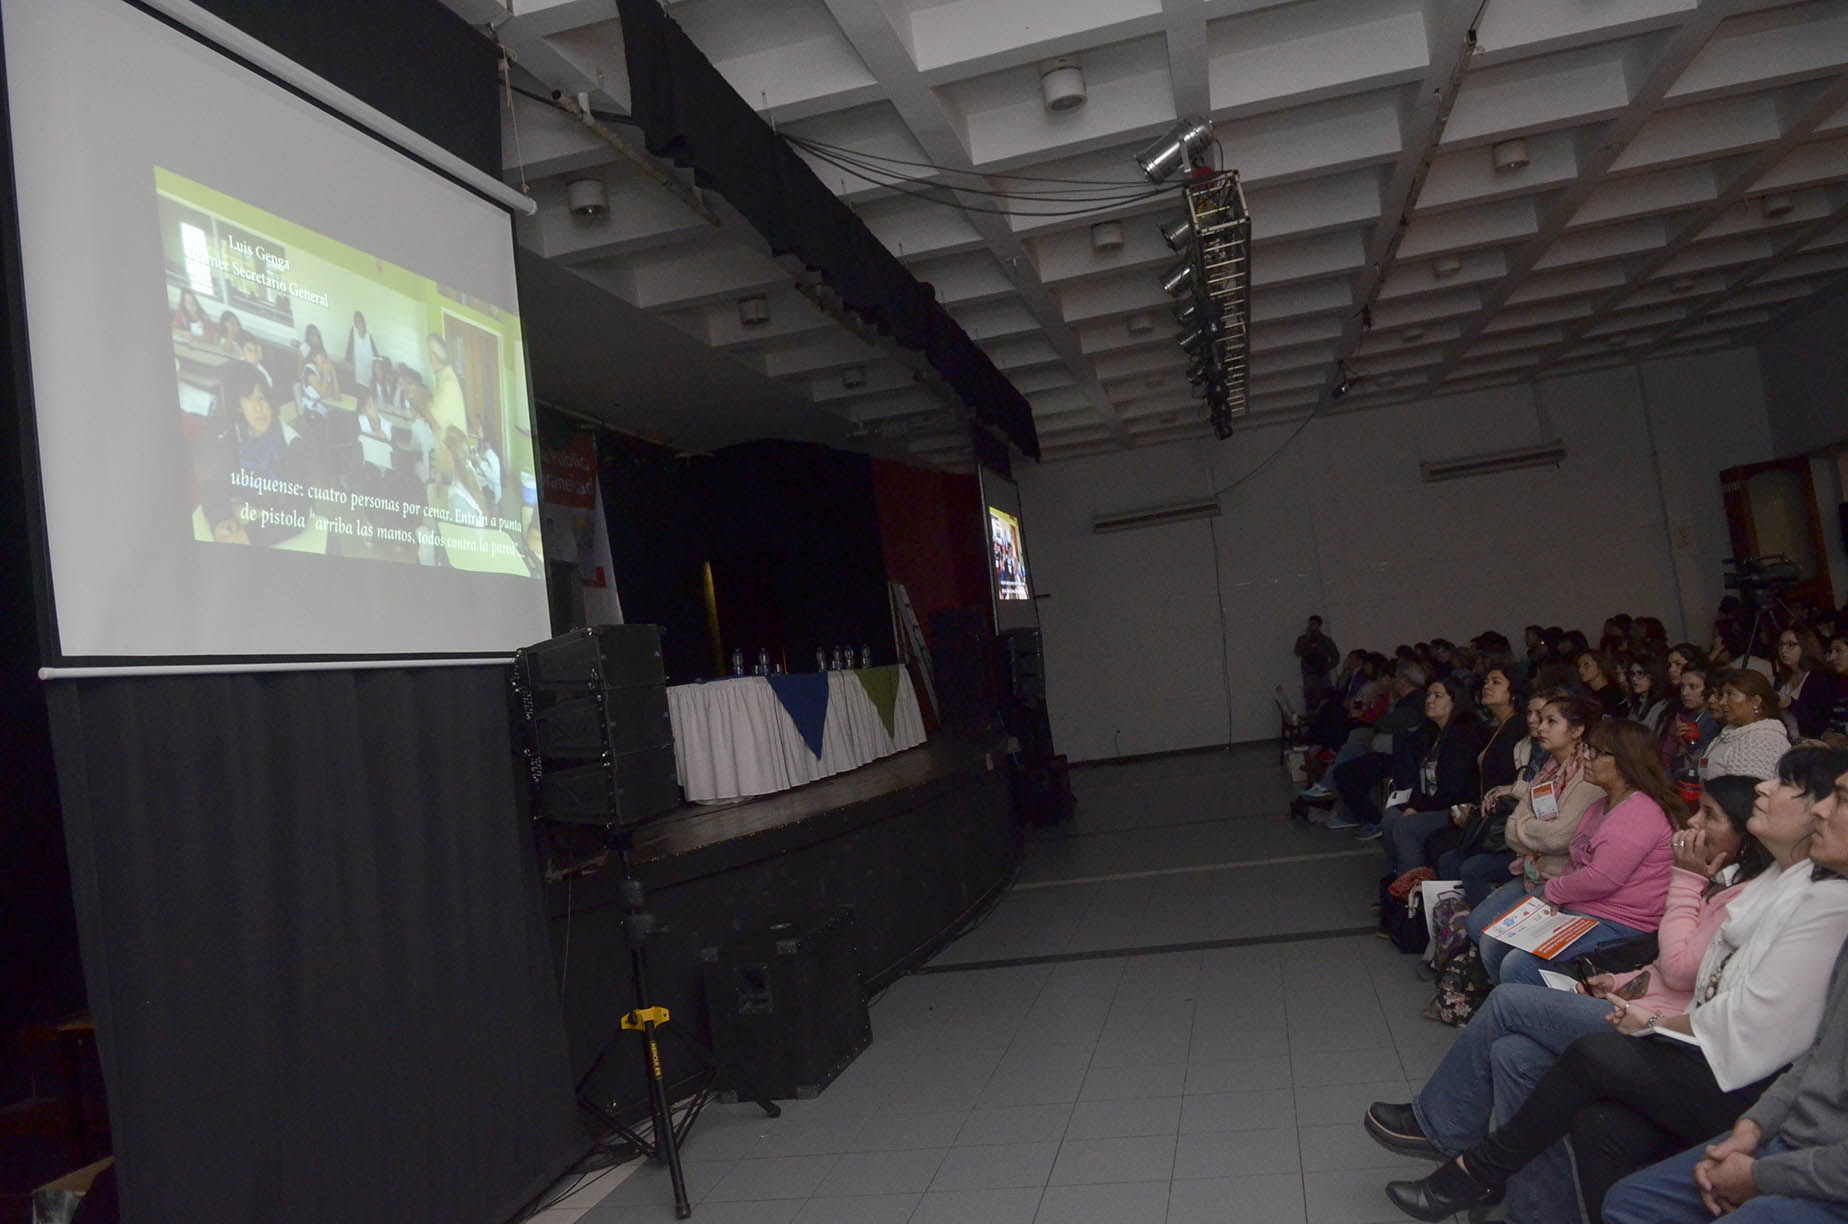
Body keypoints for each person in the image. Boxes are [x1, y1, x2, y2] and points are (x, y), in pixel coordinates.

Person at [1382, 747, 1848, 1223]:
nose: (1764, 789)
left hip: (1726, 1067)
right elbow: (1702, 979)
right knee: (1520, 1058)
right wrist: (1631, 985)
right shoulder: (1771, 880)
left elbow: (1711, 994)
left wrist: (1654, 1013)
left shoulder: (1818, 900)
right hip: (1688, 1031)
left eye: (1786, 785)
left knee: (1540, 1015)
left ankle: (1463, 1156)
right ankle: (1534, 1210)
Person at [1604, 759, 1848, 1221]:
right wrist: (1753, 1129)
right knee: (1623, 1189)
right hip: (1781, 1125)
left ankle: (1472, 1171)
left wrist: (1758, 1175)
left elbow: (1685, 973)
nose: (1823, 811)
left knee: (1586, 1051)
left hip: (1762, 1100)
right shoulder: (1770, 883)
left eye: (1842, 801)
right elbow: (1817, 1058)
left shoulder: (1826, 903)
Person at [1469, 716, 1678, 988]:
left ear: (1626, 761)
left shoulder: (1639, 813)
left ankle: (1523, 1015)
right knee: (1493, 940)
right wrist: (1558, 898)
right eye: (1588, 749)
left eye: (1597, 752)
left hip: (1621, 921)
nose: (1587, 758)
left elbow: (1601, 879)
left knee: (1518, 964)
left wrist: (1553, 893)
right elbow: (1577, 860)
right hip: (1580, 904)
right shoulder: (1602, 805)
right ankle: (1514, 1009)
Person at [1376, 676, 1487, 872]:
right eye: (1428, 695)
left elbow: (1453, 790)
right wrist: (1413, 804)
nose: (1429, 700)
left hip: (1456, 806)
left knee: (1406, 825)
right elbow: (1422, 780)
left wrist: (1417, 807)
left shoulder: (1463, 735)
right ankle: (1395, 880)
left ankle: (1410, 888)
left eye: (1438, 696)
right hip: (1433, 800)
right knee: (1390, 817)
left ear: (1455, 700)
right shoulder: (1433, 733)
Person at [199, 361, 308, 545]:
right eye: (250, 398)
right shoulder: (238, 437)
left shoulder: (292, 443)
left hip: (289, 535)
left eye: (262, 397)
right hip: (253, 518)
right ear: (239, 407)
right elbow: (214, 487)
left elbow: (297, 514)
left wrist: (248, 536)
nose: (259, 407)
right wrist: (220, 520)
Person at [1702, 669, 1792, 781]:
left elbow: (1746, 794)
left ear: (1755, 701)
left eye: (1730, 694)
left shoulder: (1763, 741)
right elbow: (1704, 771)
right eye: (1722, 695)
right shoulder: (1729, 733)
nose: (1722, 702)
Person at [1664, 665, 1720, 807]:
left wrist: (1683, 745)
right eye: (1682, 687)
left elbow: (1702, 766)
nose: (1684, 692)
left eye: (1693, 687)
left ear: (1708, 690)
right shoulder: (1692, 718)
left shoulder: (1712, 721)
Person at [1779, 626, 1837, 739]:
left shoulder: (1819, 677)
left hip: (1809, 744)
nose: (1783, 650)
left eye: (1791, 645)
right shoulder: (1782, 678)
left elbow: (1821, 720)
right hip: (1785, 739)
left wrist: (1791, 704)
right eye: (1781, 644)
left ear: (1806, 647)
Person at [425, 333, 468, 441]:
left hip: (451, 453)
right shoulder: (443, 379)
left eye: (429, 353)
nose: (428, 358)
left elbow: (435, 420)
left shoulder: (448, 384)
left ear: (434, 355)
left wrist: (419, 397)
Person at [1294, 615, 1339, 711]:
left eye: (1313, 624)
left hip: (1323, 675)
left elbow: (1336, 658)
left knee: (1326, 699)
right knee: (1310, 700)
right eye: (1309, 624)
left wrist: (1327, 667)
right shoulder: (1302, 639)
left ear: (1319, 626)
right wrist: (1307, 640)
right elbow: (1297, 652)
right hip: (1309, 675)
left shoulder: (1326, 641)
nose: (1310, 626)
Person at [1625, 654, 1670, 734]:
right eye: (1632, 674)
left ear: (1653, 675)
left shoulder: (1662, 705)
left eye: (1640, 673)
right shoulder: (1636, 702)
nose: (1634, 679)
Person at [1578, 650, 1627, 717]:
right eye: (1579, 666)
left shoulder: (1614, 694)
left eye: (1586, 664)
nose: (1580, 670)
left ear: (1600, 665)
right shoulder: (1587, 695)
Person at [343, 311, 376, 389]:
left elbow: (374, 349)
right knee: (359, 385)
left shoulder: (368, 334)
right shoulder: (353, 331)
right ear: (355, 323)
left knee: (368, 385)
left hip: (368, 364)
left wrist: (378, 360)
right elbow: (349, 345)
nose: (359, 323)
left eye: (360, 320)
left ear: (363, 321)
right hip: (358, 365)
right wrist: (348, 360)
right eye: (357, 321)